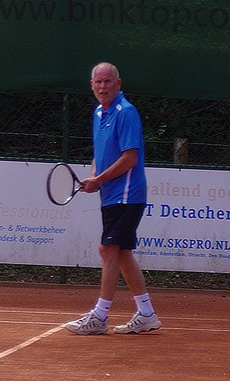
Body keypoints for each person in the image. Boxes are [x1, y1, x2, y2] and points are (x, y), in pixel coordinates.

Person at [65, 62, 162, 335]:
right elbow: (102, 153)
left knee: (108, 249)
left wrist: (100, 180)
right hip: (111, 196)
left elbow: (130, 158)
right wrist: (94, 177)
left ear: (118, 83)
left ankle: (100, 316)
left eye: (108, 81)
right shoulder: (98, 113)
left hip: (128, 195)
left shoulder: (126, 112)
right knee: (122, 253)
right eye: (98, 82)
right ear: (91, 85)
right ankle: (147, 314)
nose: (103, 86)